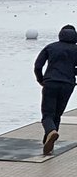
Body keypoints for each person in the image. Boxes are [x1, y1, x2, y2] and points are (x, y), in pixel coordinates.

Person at [33, 24, 77, 155]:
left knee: (47, 115)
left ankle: (51, 133)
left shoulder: (50, 47)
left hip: (51, 83)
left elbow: (38, 65)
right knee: (57, 114)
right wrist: (71, 71)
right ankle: (49, 145)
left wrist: (40, 79)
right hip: (68, 85)